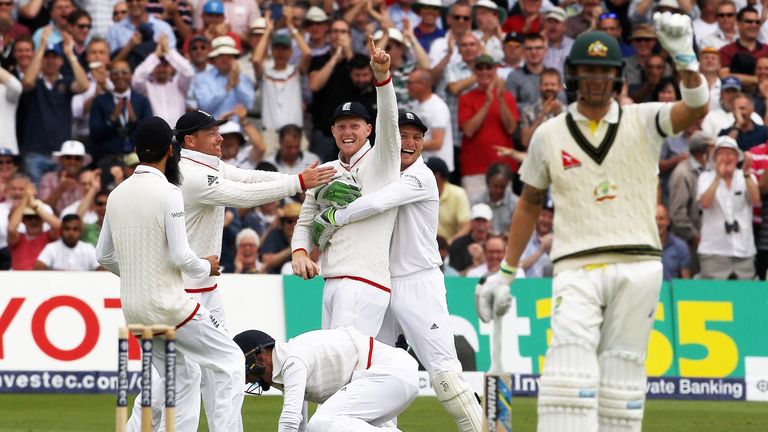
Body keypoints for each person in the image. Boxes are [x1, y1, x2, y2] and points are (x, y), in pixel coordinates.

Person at [476, 18, 709, 431]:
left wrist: (686, 60)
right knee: (568, 375)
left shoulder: (644, 120)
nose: (597, 79)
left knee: (622, 383)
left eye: (604, 71)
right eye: (588, 70)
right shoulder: (548, 135)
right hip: (576, 266)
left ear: (617, 75)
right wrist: (506, 273)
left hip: (639, 265)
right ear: (573, 75)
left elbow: (695, 108)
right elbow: (529, 203)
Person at [127, 109, 335, 431]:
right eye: (211, 132)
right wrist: (296, 182)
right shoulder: (187, 175)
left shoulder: (208, 167)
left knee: (212, 371)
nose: (220, 137)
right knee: (197, 372)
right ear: (190, 140)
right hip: (185, 293)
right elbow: (242, 195)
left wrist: (296, 180)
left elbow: (249, 178)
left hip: (206, 290)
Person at [308, 111, 483, 431]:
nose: (411, 143)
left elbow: (378, 203)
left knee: (446, 377)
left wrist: (334, 217)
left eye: (417, 137)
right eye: (404, 135)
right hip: (379, 283)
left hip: (419, 281)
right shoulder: (376, 172)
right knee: (375, 375)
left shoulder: (421, 176)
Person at [96, 117, 244, 432]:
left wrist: (139, 274)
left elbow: (103, 256)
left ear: (136, 150)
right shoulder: (169, 191)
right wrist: (207, 267)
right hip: (169, 305)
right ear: (171, 150)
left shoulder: (116, 194)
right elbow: (180, 255)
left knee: (183, 374)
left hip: (134, 310)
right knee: (231, 361)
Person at [291, 37, 401, 337]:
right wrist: (300, 253)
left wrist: (382, 79)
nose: (347, 131)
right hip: (331, 280)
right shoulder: (325, 171)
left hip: (365, 280)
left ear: (369, 129)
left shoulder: (384, 160)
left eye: (355, 125)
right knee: (336, 370)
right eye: (341, 125)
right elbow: (305, 220)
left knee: (343, 365)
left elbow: (390, 122)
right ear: (332, 131)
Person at [233, 327, 418, 431]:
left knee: (322, 423)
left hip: (387, 371)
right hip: (389, 378)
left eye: (246, 371)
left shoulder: (292, 360)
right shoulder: (288, 364)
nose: (248, 380)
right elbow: (299, 424)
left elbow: (290, 419)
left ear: (261, 355)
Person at [697, 136, 759, 279]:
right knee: (713, 298)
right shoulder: (705, 177)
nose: (726, 158)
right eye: (722, 154)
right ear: (715, 157)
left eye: (730, 153)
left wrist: (747, 172)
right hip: (714, 251)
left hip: (744, 251)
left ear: (737, 157)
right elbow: (705, 203)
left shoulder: (746, 176)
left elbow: (755, 200)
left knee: (744, 297)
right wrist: (718, 177)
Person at [34, 214, 100, 271]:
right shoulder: (51, 248)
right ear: (61, 230)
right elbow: (38, 268)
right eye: (67, 229)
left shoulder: (88, 248)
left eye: (75, 229)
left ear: (80, 231)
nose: (71, 233)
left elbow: (102, 269)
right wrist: (63, 274)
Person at [657, 203, 691, 280]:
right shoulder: (644, 246)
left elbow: (685, 279)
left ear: (668, 221)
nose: (658, 223)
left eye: (661, 218)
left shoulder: (680, 246)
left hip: (671, 290)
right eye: (655, 219)